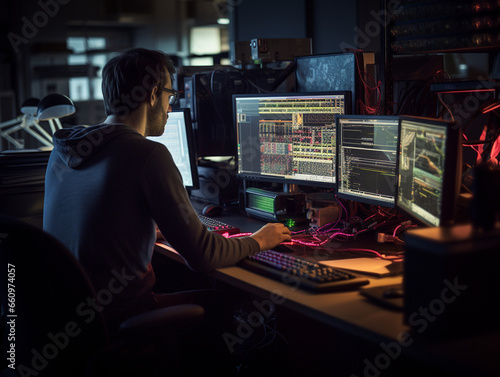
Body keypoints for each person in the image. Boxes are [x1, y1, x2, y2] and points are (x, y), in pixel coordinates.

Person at [43, 48, 291, 335]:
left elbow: (94, 224)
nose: (170, 107)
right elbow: (203, 256)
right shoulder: (147, 154)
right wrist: (259, 241)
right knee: (238, 302)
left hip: (69, 321)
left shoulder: (62, 152)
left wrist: (143, 230)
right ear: (151, 95)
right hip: (121, 320)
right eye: (169, 96)